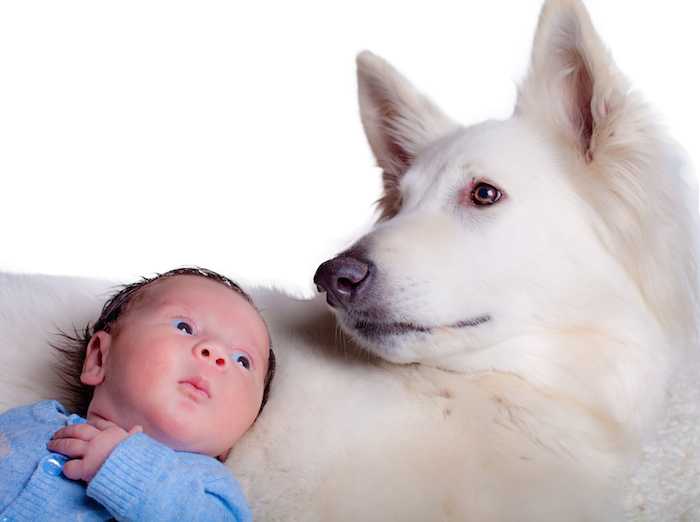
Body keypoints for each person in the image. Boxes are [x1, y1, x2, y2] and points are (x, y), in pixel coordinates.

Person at [0, 267, 276, 522]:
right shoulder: (25, 423)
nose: (215, 351)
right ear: (99, 358)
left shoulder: (209, 489)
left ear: (243, 429)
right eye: (184, 327)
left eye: (242, 360)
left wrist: (126, 469)